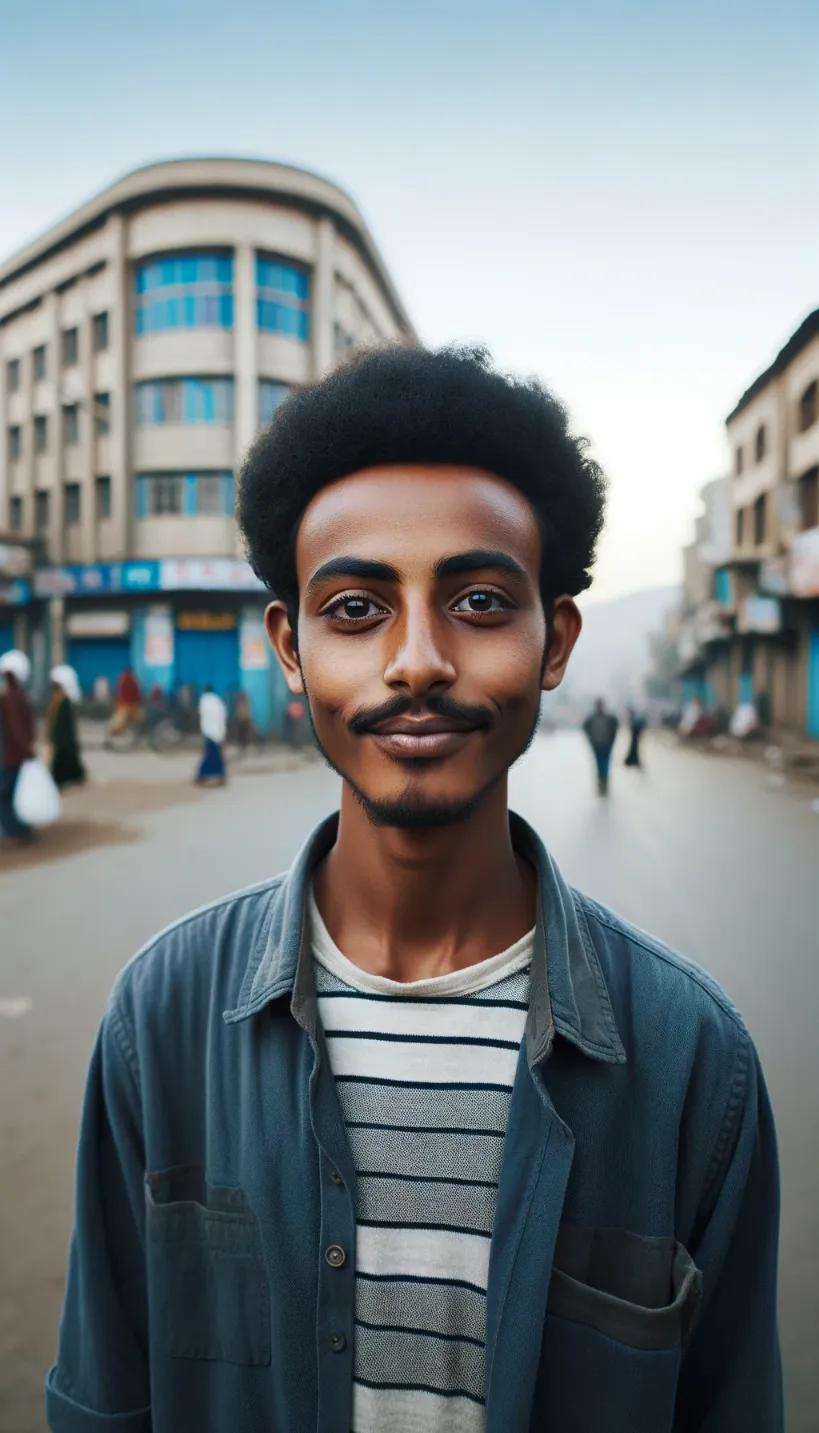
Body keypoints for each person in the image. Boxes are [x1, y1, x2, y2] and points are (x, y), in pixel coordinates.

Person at [48, 347, 782, 1433]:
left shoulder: (693, 1063)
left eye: (480, 600)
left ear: (555, 641)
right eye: (355, 608)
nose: (418, 659)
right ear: (290, 646)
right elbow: (105, 1398)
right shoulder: (158, 1020)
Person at [0, 650, 36, 841]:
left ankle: (17, 829)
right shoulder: (15, 696)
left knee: (6, 795)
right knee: (8, 795)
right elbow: (20, 729)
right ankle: (15, 828)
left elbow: (16, 729)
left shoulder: (11, 697)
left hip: (11, 757)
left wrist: (26, 752)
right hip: (13, 756)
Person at [46, 665, 86, 789]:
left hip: (63, 740)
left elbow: (64, 724)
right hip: (61, 740)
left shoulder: (63, 701)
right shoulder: (58, 699)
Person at [582, 696, 619, 794]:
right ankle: (601, 783)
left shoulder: (609, 718)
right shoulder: (592, 718)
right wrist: (591, 740)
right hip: (597, 745)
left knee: (605, 764)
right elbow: (585, 728)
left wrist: (612, 740)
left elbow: (615, 728)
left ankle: (604, 782)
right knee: (600, 764)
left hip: (606, 745)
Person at [196, 683, 227, 785]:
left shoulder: (203, 700)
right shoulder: (218, 700)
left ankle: (204, 775)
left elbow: (202, 717)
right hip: (218, 731)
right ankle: (218, 775)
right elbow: (222, 716)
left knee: (210, 755)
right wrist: (222, 733)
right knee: (214, 754)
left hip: (208, 731)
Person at [109, 667, 143, 736]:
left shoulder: (123, 679)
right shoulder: (129, 680)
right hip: (130, 705)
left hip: (125, 704)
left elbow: (120, 693)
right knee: (140, 718)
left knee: (121, 717)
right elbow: (133, 694)